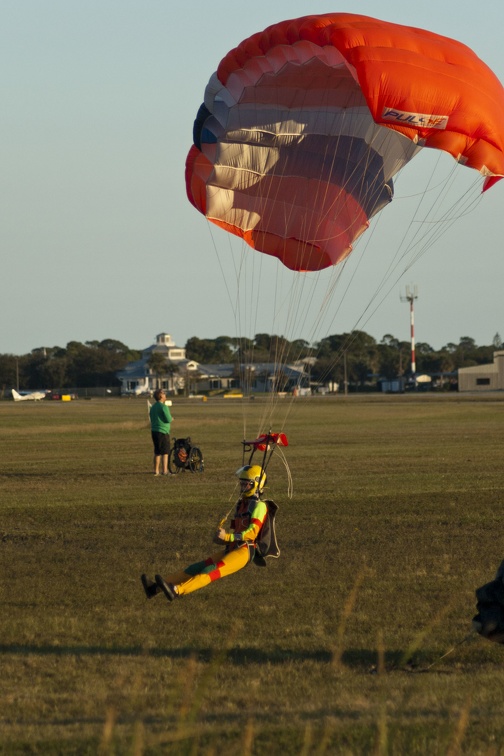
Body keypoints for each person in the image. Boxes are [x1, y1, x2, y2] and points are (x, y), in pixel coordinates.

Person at [141, 464, 270, 601]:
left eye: (247, 484)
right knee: (196, 568)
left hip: (245, 551)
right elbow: (238, 529)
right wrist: (224, 540)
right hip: (232, 548)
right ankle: (154, 588)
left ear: (257, 485)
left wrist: (227, 536)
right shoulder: (242, 504)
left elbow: (251, 534)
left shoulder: (259, 506)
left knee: (211, 570)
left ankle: (176, 590)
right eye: (242, 483)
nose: (243, 486)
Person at [149, 389, 173, 476]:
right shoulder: (164, 407)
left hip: (154, 431)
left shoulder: (153, 407)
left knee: (157, 451)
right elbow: (168, 419)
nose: (165, 395)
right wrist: (171, 419)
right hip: (163, 431)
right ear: (161, 396)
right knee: (165, 452)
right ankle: (165, 471)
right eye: (164, 394)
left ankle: (156, 471)